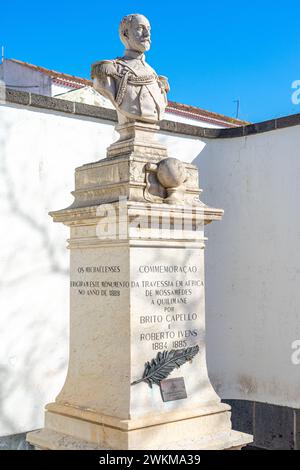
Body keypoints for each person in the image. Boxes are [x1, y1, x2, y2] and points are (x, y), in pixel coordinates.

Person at [91, 14, 169, 124]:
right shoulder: (109, 70)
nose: (147, 34)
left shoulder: (156, 78)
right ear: (126, 33)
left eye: (148, 29)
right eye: (140, 28)